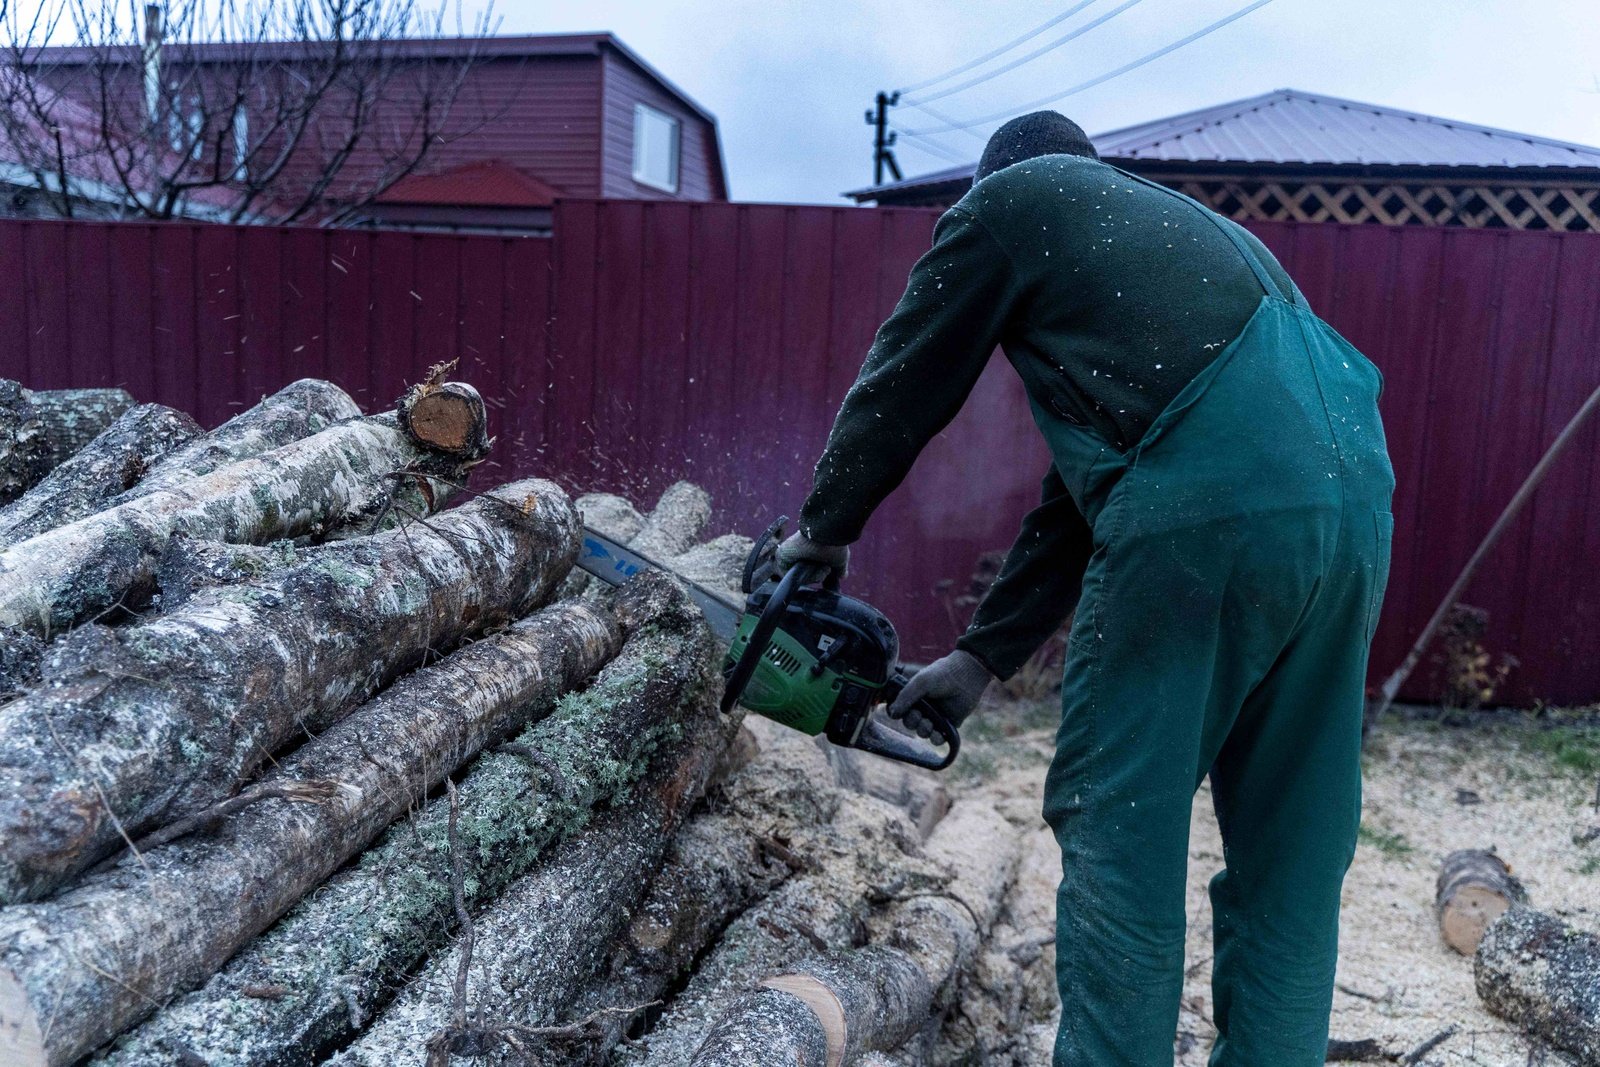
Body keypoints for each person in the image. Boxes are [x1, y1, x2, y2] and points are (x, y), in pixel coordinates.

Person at [777, 111, 1395, 1065]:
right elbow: (1089, 497)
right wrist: (982, 657)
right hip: (1352, 497)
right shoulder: (1184, 244)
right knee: (1292, 837)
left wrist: (822, 533)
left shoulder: (1015, 200)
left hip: (1213, 496)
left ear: (998, 180)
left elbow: (907, 376)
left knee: (1122, 820)